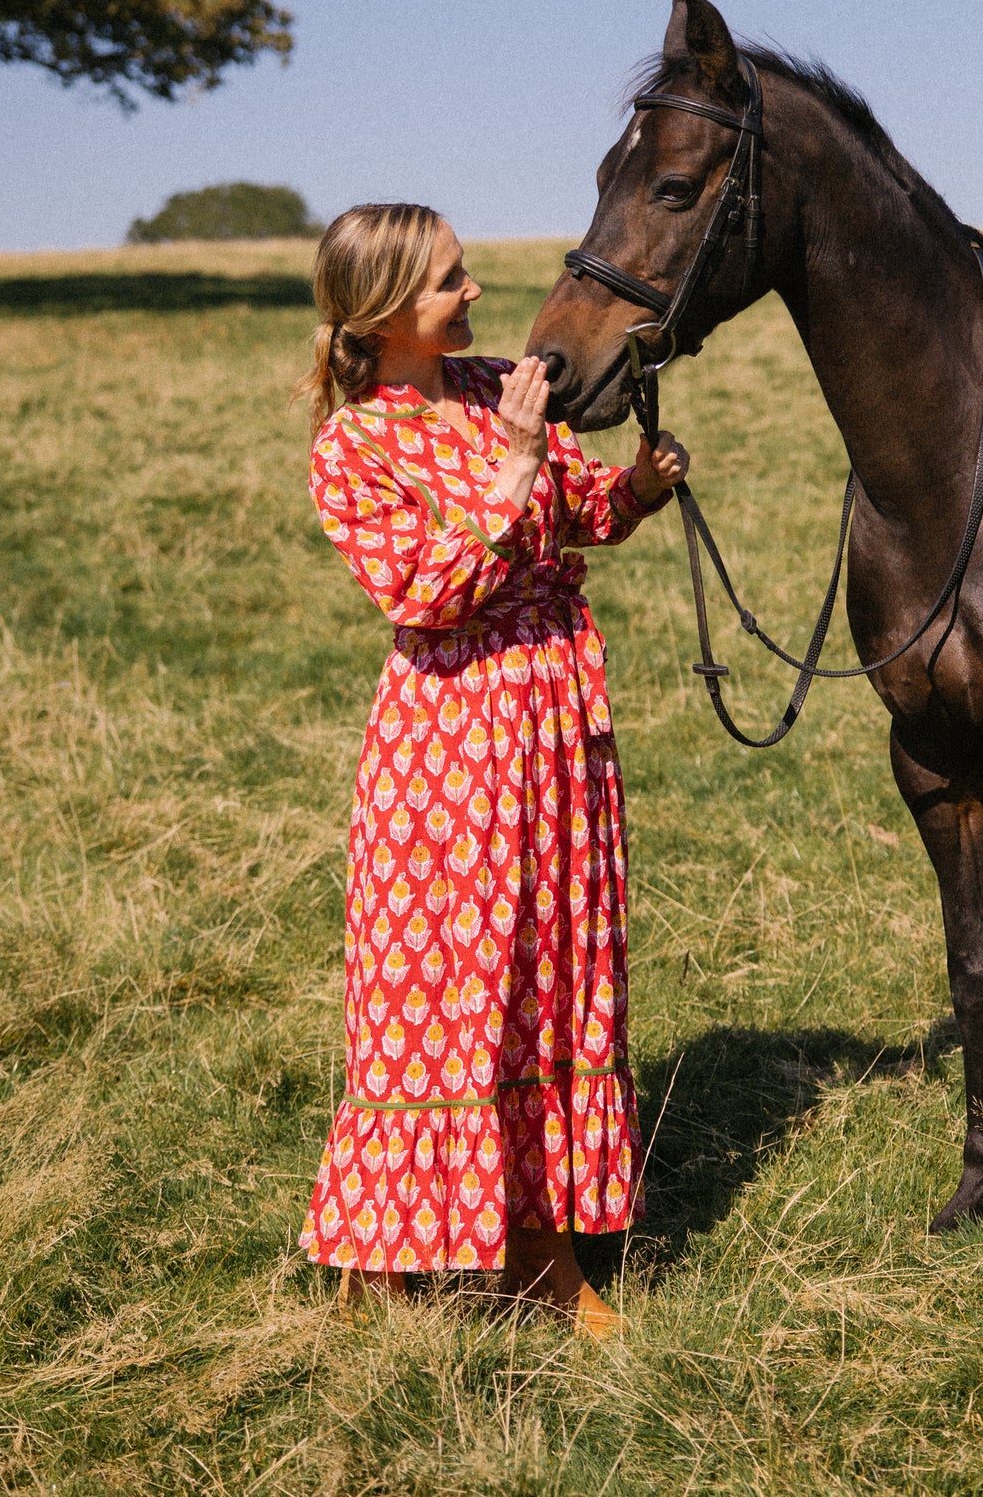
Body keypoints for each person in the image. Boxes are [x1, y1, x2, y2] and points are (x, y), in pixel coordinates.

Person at [292, 203, 688, 1336]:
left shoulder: (497, 381)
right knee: (444, 993)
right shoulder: (352, 445)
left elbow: (578, 516)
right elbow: (424, 592)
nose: (474, 293)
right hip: (453, 744)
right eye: (448, 282)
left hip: (556, 721)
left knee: (551, 976)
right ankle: (390, 1256)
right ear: (383, 311)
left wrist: (638, 488)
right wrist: (512, 466)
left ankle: (535, 1244)